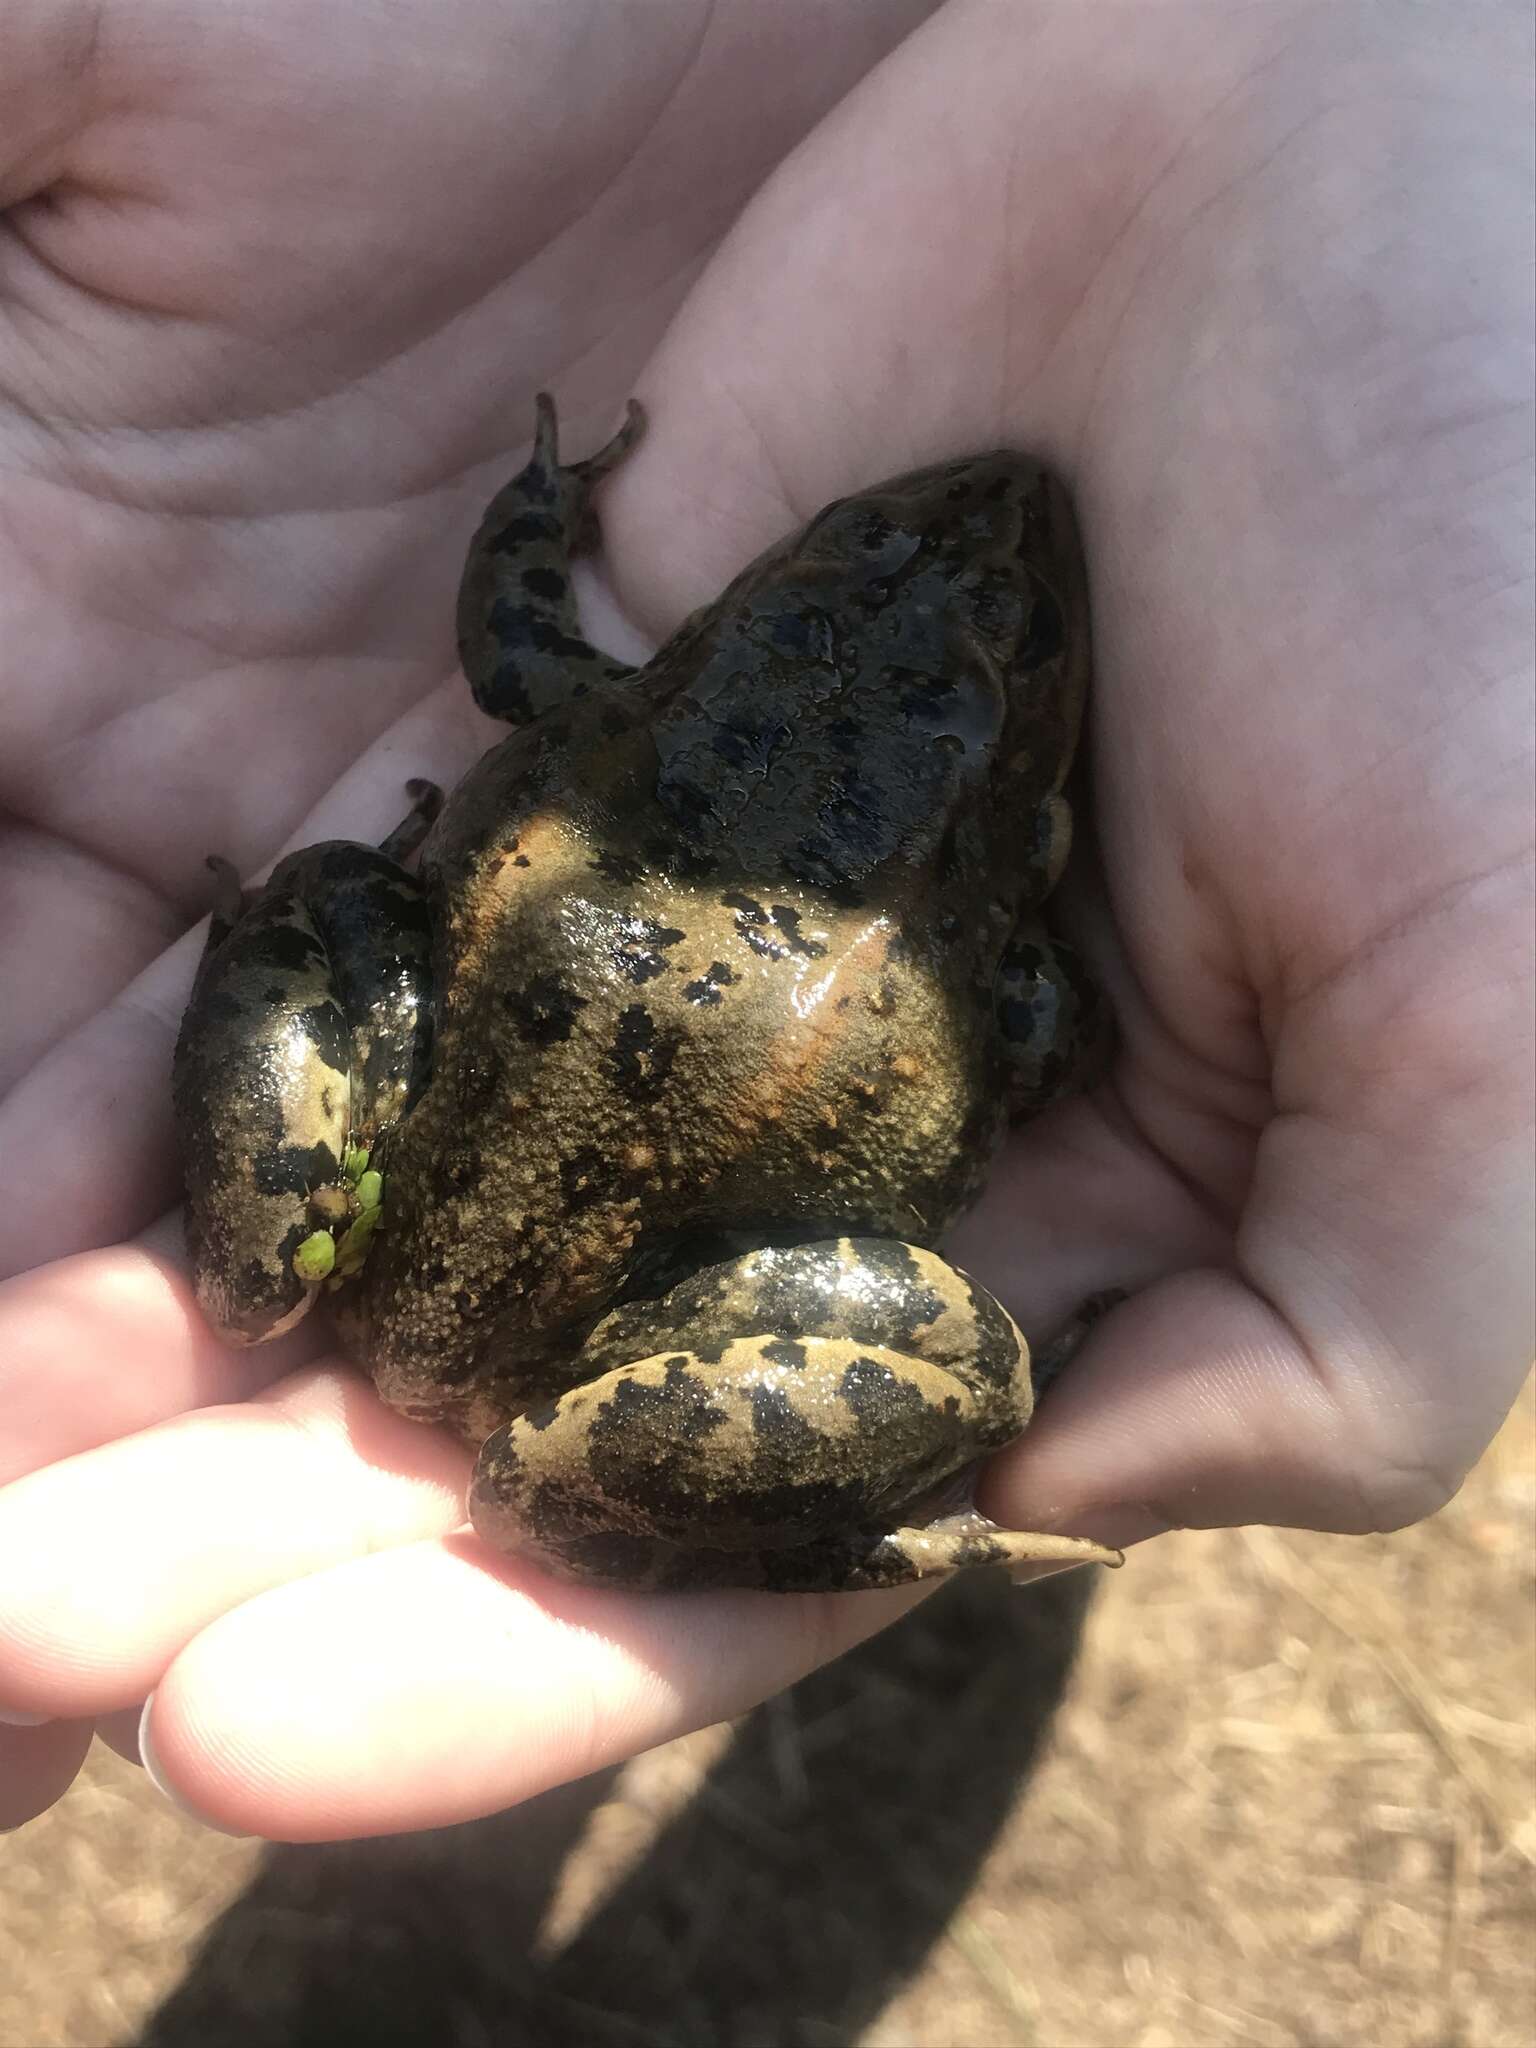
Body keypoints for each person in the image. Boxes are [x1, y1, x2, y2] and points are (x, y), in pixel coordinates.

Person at [0, 1, 1529, 1840]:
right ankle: (589, 1482)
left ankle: (275, 1261)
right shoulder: (987, 950)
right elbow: (1053, 1048)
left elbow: (512, 629)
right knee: (969, 1364)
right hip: (631, 1327)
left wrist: (549, 498)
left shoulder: (603, 709)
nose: (970, 528)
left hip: (409, 1211)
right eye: (838, 569)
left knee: (332, 898)